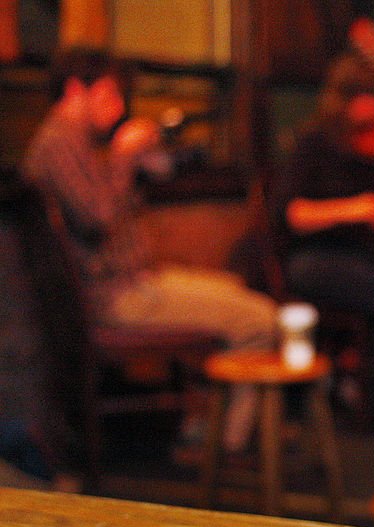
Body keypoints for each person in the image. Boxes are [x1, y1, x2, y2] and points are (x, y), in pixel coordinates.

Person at [21, 48, 278, 454]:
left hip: (132, 283)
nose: (119, 107)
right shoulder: (57, 144)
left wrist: (147, 156)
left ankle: (211, 423)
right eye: (110, 95)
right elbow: (98, 217)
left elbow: (134, 188)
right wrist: (124, 155)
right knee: (260, 318)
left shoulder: (79, 143)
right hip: (114, 297)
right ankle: (230, 443)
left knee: (234, 287)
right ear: (75, 90)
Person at [273, 52, 374, 432]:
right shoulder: (314, 143)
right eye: (369, 96)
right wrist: (355, 208)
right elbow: (294, 214)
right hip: (314, 258)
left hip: (366, 257)